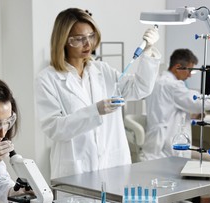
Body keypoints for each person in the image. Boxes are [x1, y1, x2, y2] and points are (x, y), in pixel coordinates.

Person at [35, 8, 161, 179]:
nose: (87, 44)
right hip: (76, 170)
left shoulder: (102, 70)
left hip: (113, 164)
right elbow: (55, 129)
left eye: (90, 36)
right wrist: (95, 111)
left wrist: (148, 51)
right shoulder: (47, 79)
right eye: (78, 39)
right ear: (63, 41)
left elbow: (140, 88)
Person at [141, 48, 210, 161]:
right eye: (189, 70)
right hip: (166, 147)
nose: (190, 75)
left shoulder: (157, 82)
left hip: (155, 144)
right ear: (177, 67)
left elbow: (165, 111)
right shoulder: (172, 85)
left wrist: (191, 116)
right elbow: (198, 101)